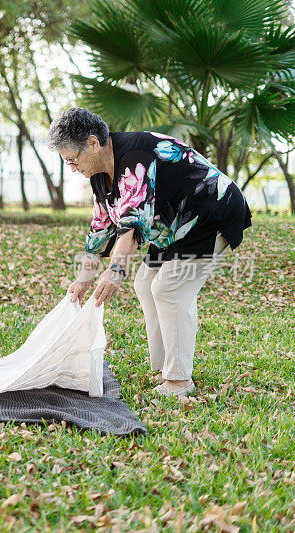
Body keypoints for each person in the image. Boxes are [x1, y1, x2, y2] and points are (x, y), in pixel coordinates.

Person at [48, 108, 251, 397]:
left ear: (93, 143)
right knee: (145, 283)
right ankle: (164, 370)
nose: (71, 167)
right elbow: (101, 227)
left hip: (210, 213)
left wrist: (115, 270)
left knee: (169, 288)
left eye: (72, 159)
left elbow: (131, 226)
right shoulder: (98, 173)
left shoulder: (135, 156)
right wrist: (83, 280)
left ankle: (179, 381)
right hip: (173, 224)